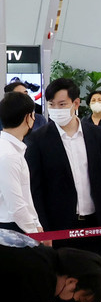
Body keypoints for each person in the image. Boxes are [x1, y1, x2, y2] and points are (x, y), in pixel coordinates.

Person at [24, 77, 101, 258]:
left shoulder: (97, 135)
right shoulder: (38, 140)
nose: (56, 110)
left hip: (94, 224)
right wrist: (42, 226)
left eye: (62, 104)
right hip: (59, 228)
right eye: (52, 105)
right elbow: (35, 189)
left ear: (76, 103)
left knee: (94, 279)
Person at [0, 91, 43, 234]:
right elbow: (16, 205)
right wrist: (34, 231)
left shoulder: (13, 149)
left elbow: (25, 195)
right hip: (11, 228)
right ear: (28, 117)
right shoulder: (8, 154)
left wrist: (35, 223)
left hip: (18, 225)